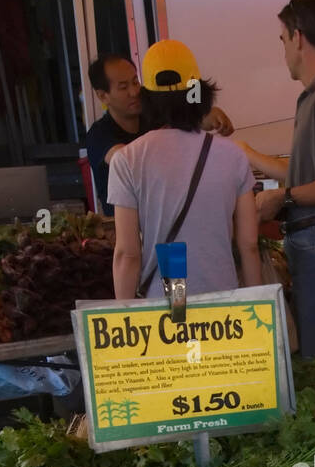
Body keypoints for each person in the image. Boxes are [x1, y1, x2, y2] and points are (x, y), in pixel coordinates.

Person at [236, 0, 315, 358]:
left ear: (299, 36)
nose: (284, 52)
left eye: (283, 39)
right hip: (313, 243)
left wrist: (282, 197)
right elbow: (308, 173)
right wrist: (249, 154)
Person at [108, 39, 261, 302]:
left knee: (177, 332)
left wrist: (125, 323)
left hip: (166, 304)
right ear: (200, 93)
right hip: (224, 307)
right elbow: (248, 245)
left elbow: (127, 255)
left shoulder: (128, 159)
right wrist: (258, 306)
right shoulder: (233, 155)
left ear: (147, 97)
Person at [85, 53, 235, 217]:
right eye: (123, 87)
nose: (134, 92)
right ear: (102, 96)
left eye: (135, 82)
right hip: (126, 225)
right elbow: (127, 160)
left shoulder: (152, 115)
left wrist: (205, 115)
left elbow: (184, 119)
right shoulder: (99, 134)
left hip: (169, 217)